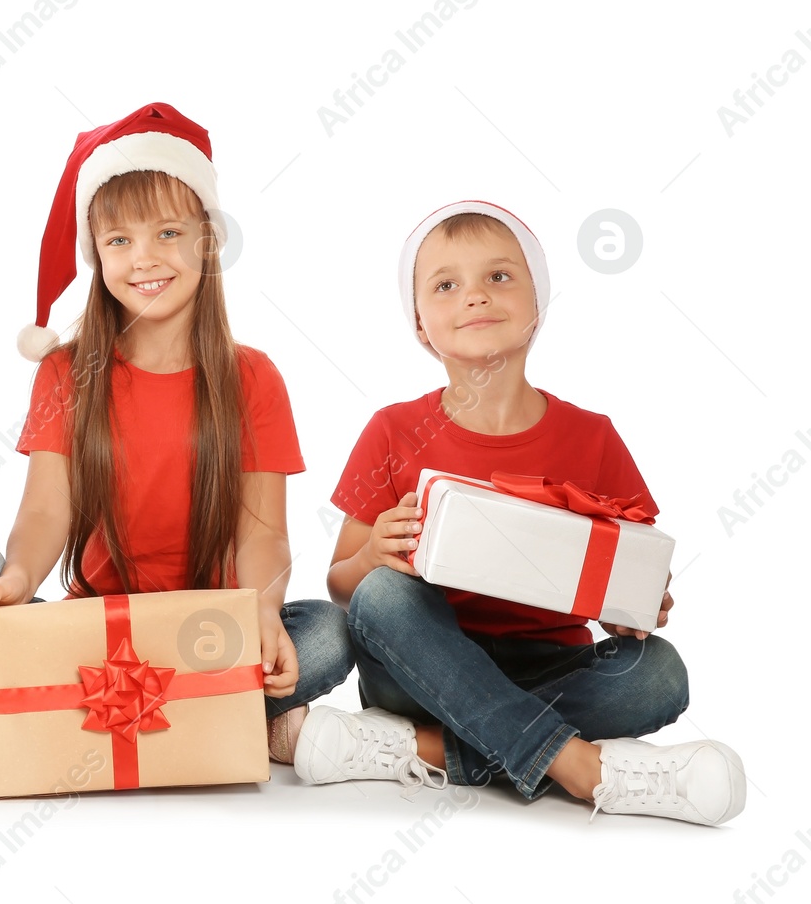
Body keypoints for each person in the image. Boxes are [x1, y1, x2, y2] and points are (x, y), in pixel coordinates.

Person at [296, 200, 746, 826]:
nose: (475, 297)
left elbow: (632, 574)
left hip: (552, 664)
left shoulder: (593, 438)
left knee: (659, 674)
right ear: (422, 325)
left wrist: (635, 607)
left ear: (539, 306)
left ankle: (422, 749)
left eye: (499, 277)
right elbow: (344, 587)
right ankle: (580, 766)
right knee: (382, 598)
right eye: (447, 285)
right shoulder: (394, 431)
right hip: (422, 665)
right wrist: (373, 555)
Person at [0, 103, 353, 765]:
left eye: (167, 233)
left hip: (210, 632)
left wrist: (266, 612)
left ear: (206, 241)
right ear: (96, 255)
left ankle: (54, 716)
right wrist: (15, 581)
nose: (144, 259)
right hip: (101, 626)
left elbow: (263, 532)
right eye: (119, 241)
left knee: (327, 632)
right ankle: (231, 721)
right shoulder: (66, 372)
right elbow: (46, 509)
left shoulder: (253, 377)